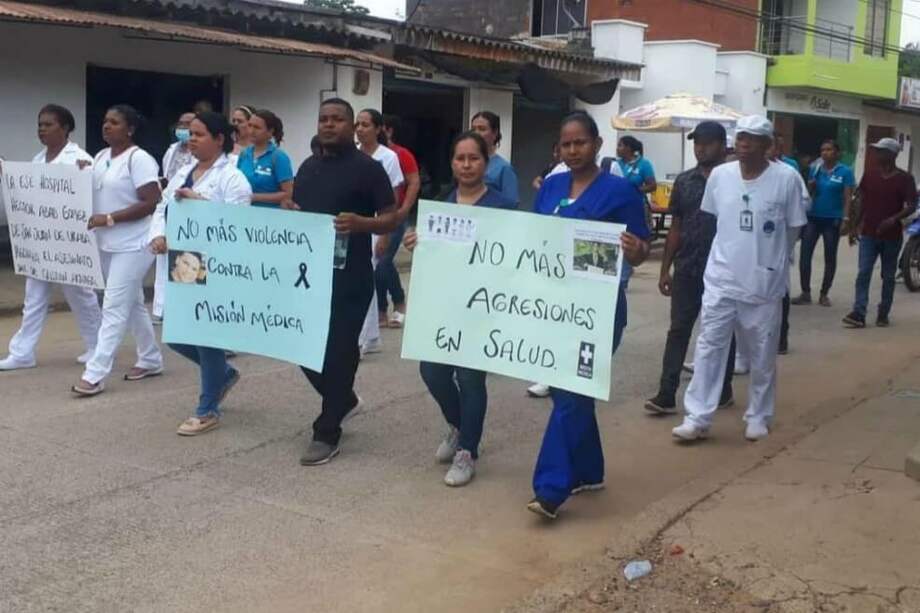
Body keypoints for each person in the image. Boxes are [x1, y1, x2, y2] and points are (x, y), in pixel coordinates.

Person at [527, 111, 651, 520]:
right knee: (571, 394)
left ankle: (551, 488)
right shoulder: (552, 186)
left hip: (597, 311)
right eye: (566, 144)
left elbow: (641, 248)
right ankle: (589, 471)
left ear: (597, 144)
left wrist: (635, 251)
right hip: (554, 309)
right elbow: (534, 236)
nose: (573, 149)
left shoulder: (621, 192)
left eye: (580, 142)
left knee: (571, 390)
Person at [671, 116, 808, 443]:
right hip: (721, 278)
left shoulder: (786, 179)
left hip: (763, 283)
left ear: (768, 145)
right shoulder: (721, 176)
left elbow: (793, 228)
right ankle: (698, 416)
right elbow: (719, 220)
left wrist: (773, 260)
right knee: (709, 347)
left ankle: (758, 415)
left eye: (753, 138)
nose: (744, 143)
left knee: (762, 353)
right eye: (741, 137)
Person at [288, 98, 398, 466]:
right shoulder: (307, 168)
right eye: (323, 119)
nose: (329, 125)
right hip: (308, 276)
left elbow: (390, 218)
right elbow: (300, 215)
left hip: (350, 277)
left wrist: (361, 224)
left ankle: (327, 430)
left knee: (339, 351)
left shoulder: (368, 170)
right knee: (300, 346)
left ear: (352, 127)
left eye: (337, 119)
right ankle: (344, 399)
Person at [402, 131, 515, 487]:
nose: (466, 165)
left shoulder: (502, 208)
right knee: (432, 371)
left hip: (480, 308)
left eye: (474, 158)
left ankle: (468, 449)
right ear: (452, 163)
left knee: (470, 378)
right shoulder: (441, 206)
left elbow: (512, 260)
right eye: (460, 158)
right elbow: (433, 256)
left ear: (486, 162)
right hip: (442, 305)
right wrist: (416, 241)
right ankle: (458, 425)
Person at [149, 111, 253, 435]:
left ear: (220, 139)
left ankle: (207, 408)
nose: (190, 139)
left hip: (215, 265)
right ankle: (223, 374)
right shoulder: (183, 171)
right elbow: (162, 207)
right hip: (184, 262)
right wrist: (158, 234)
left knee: (205, 337)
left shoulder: (233, 178)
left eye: (199, 134)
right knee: (177, 334)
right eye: (189, 133)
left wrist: (200, 201)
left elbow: (238, 224)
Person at [0, 104, 102, 371]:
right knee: (33, 299)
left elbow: (92, 194)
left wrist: (87, 173)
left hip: (69, 244)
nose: (42, 130)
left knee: (81, 297)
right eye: (39, 125)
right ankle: (22, 353)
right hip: (42, 243)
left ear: (65, 128)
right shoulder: (37, 160)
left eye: (48, 124)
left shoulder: (79, 158)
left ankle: (97, 347)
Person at [71, 104, 164, 396]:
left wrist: (110, 218)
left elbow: (151, 201)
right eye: (105, 121)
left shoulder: (140, 159)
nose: (106, 126)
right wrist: (84, 173)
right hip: (108, 243)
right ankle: (150, 358)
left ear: (131, 129)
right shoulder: (99, 157)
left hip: (136, 243)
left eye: (114, 122)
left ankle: (95, 373)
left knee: (112, 305)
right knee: (133, 303)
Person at [644, 122, 735, 415]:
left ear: (723, 146)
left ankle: (722, 388)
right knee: (679, 329)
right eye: (697, 142)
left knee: (720, 331)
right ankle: (666, 392)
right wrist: (665, 268)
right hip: (688, 268)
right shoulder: (685, 181)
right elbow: (676, 227)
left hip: (723, 270)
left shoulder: (735, 180)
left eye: (707, 143)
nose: (700, 148)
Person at [843, 138, 917, 328]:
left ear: (892, 155)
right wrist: (854, 226)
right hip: (869, 232)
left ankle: (883, 312)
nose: (876, 155)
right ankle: (859, 313)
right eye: (876, 151)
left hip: (892, 236)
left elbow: (912, 206)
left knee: (888, 275)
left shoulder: (905, 178)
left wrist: (893, 219)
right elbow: (861, 201)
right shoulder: (870, 175)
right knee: (863, 273)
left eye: (880, 151)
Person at [355, 109, 404, 355]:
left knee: (367, 277)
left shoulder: (388, 158)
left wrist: (385, 233)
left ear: (378, 129)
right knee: (363, 278)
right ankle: (371, 336)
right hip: (354, 223)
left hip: (376, 224)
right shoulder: (351, 154)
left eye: (366, 124)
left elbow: (393, 200)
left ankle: (362, 338)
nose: (360, 129)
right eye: (358, 124)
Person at [792, 139, 855, 307]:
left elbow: (848, 198)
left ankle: (824, 293)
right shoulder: (815, 168)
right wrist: (810, 185)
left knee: (830, 257)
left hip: (832, 220)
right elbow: (808, 194)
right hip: (813, 217)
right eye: (822, 150)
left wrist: (846, 219)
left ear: (837, 153)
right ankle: (805, 292)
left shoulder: (845, 171)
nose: (825, 153)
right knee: (805, 255)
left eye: (829, 149)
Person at [375, 114, 421, 329]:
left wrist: (404, 210)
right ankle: (381, 309)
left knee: (383, 261)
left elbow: (413, 182)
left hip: (393, 217)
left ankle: (399, 301)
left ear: (387, 130)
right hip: (370, 218)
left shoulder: (401, 155)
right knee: (378, 264)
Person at [152, 111, 196, 324]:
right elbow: (167, 183)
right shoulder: (172, 151)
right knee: (166, 263)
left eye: (189, 125)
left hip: (192, 218)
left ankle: (184, 312)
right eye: (182, 124)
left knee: (188, 264)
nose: (184, 129)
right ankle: (164, 310)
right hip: (172, 209)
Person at [236, 109, 294, 208]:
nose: (251, 131)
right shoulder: (244, 154)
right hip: (244, 212)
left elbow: (288, 194)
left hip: (269, 215)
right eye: (250, 126)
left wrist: (255, 197)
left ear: (270, 132)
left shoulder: (278, 157)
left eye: (257, 128)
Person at [471, 111, 519, 205]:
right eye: (473, 129)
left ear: (495, 133)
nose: (476, 133)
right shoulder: (465, 165)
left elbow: (512, 203)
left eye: (482, 129)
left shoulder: (504, 168)